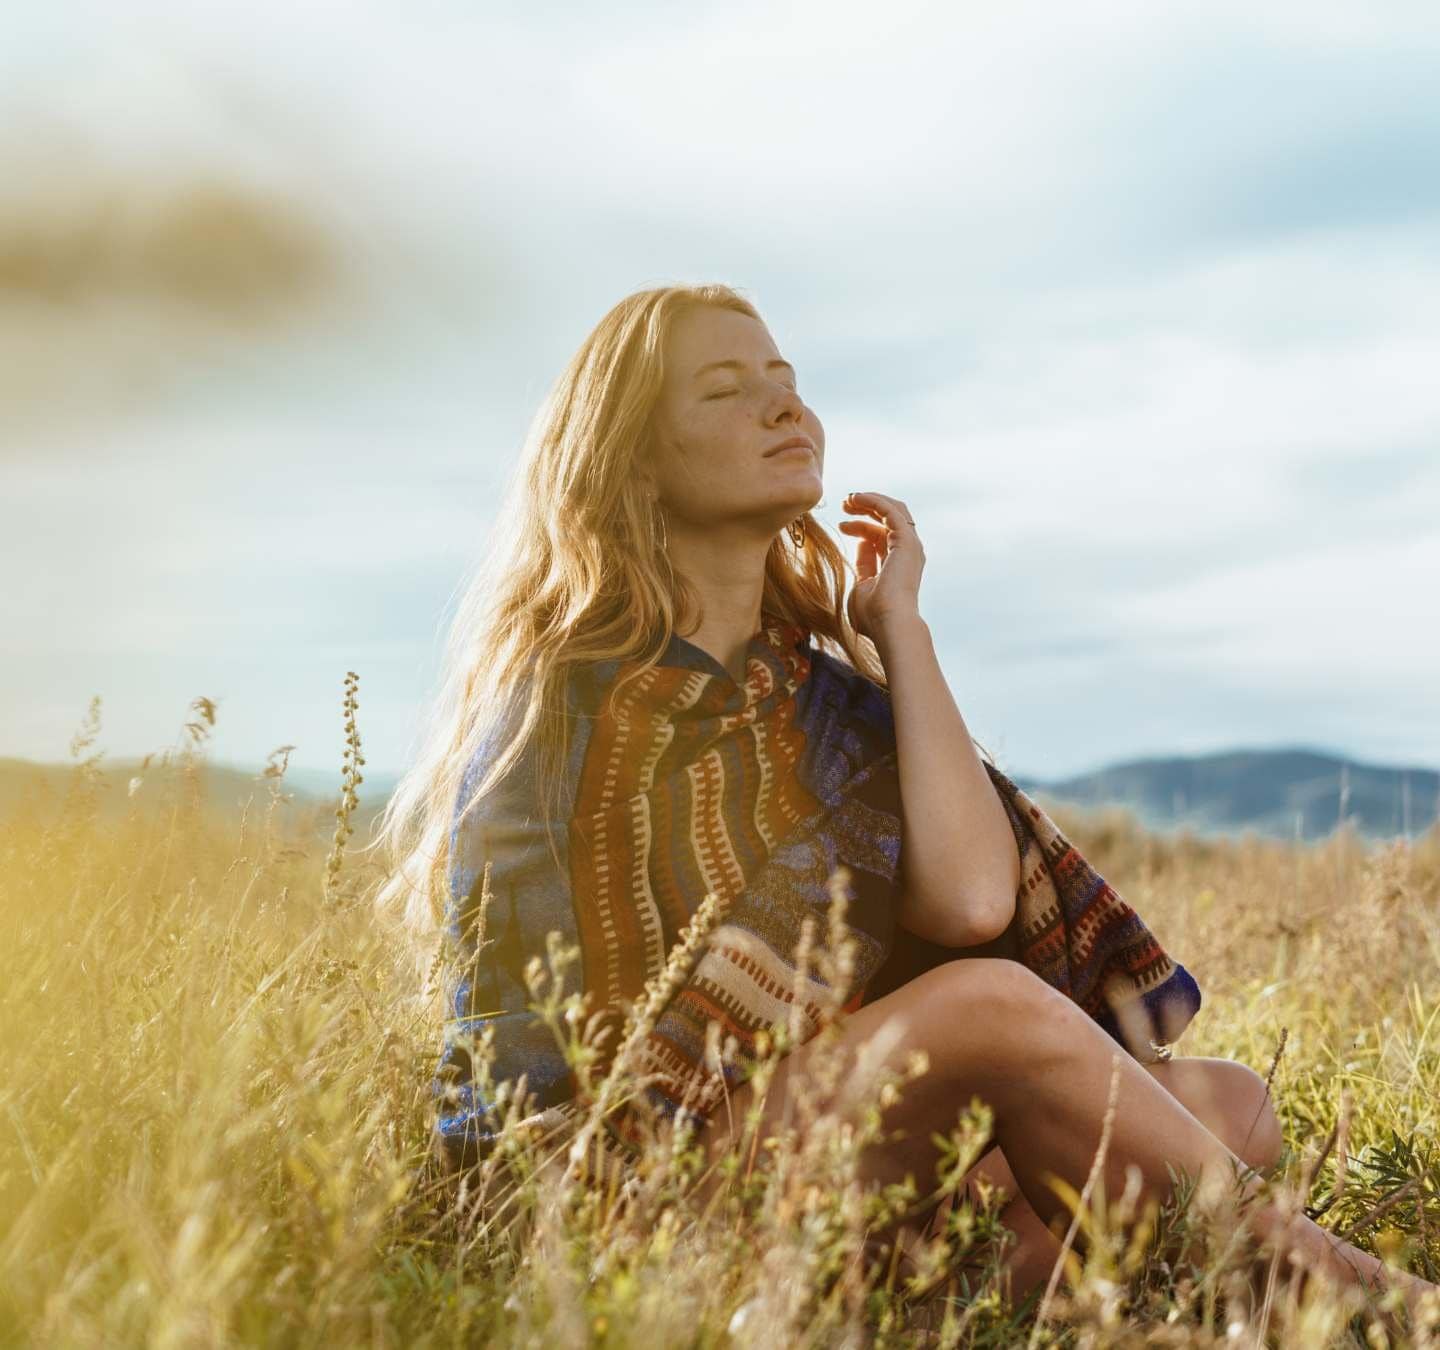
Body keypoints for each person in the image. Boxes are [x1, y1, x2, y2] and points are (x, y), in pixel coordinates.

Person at [375, 283, 1436, 1319]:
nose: (784, 407)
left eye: (787, 380)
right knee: (999, 1018)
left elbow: (971, 903)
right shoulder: (564, 709)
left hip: (827, 1155)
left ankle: (902, 1308)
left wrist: (901, 633)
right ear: (633, 460)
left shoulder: (825, 703)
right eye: (727, 390)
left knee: (1231, 1105)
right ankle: (1372, 1303)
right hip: (626, 1180)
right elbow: (530, 1067)